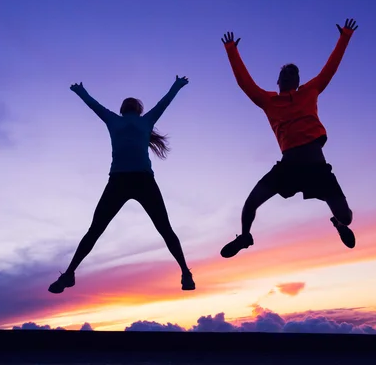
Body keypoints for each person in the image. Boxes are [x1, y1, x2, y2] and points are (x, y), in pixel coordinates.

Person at [219, 18, 359, 259]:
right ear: (278, 80)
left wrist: (344, 37)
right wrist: (232, 51)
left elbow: (330, 68)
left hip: (317, 168)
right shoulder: (267, 100)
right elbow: (245, 83)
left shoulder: (311, 90)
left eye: (292, 72)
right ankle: (244, 237)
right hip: (288, 167)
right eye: (284, 72)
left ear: (298, 80)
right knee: (250, 203)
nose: (288, 73)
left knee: (346, 216)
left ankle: (337, 223)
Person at [48, 76, 195, 293]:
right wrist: (81, 92)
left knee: (165, 228)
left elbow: (165, 102)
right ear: (123, 108)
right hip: (118, 181)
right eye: (127, 101)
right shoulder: (112, 119)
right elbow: (94, 106)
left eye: (133, 101)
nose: (130, 102)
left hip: (144, 180)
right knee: (95, 230)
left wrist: (176, 85)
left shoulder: (147, 120)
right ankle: (69, 274)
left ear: (138, 108)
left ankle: (185, 272)